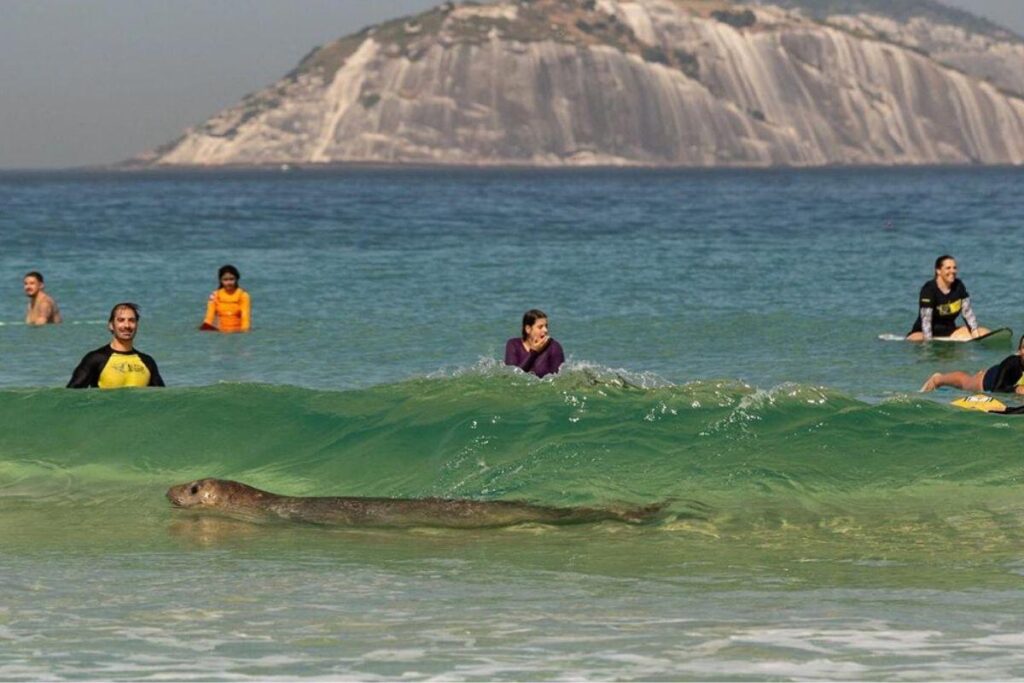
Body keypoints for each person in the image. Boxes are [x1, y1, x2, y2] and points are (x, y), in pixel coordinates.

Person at [67, 302, 165, 389]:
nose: (127, 325)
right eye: (121, 320)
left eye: (131, 320)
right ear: (111, 325)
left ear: (136, 325)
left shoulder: (147, 362)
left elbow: (162, 399)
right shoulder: (95, 359)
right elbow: (70, 396)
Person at [906, 255, 989, 341]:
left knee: (984, 333)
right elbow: (926, 321)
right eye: (948, 268)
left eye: (954, 268)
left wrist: (976, 334)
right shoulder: (929, 290)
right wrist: (929, 346)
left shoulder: (959, 286)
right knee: (920, 338)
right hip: (922, 333)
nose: (952, 271)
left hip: (949, 331)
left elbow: (967, 313)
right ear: (938, 270)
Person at [921, 335, 1024, 394]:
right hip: (986, 381)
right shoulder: (1011, 363)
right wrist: (1016, 389)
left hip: (1000, 375)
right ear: (1019, 351)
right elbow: (996, 389)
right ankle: (938, 379)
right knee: (965, 382)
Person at [504, 309, 565, 378]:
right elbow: (512, 377)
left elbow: (558, 379)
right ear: (528, 329)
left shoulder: (554, 347)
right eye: (540, 327)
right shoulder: (513, 345)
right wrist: (534, 352)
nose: (545, 330)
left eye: (546, 326)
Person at [200, 264, 250, 333]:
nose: (229, 283)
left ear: (236, 279)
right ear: (220, 280)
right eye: (225, 279)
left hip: (237, 333)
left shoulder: (243, 295)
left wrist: (245, 333)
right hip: (220, 333)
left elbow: (245, 319)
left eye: (231, 279)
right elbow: (209, 317)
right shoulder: (215, 295)